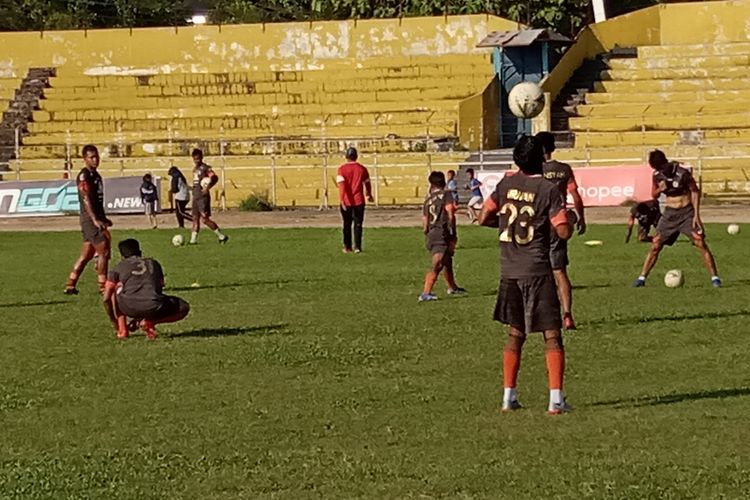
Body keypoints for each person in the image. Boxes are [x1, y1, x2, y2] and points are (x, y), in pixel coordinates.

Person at [478, 135, 573, 415]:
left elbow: (483, 216)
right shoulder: (547, 189)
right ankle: (556, 399)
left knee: (515, 333)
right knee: (552, 335)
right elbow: (563, 230)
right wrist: (569, 221)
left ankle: (509, 396)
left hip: (509, 271)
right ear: (542, 159)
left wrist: (504, 225)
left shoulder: (505, 184)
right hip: (537, 270)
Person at [633, 150, 721, 287]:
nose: (659, 170)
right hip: (669, 215)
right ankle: (641, 278)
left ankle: (715, 278)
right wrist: (660, 189)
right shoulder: (656, 175)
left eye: (659, 167)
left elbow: (695, 191)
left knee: (700, 242)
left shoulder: (682, 173)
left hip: (686, 213)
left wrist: (696, 216)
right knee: (656, 244)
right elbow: (653, 194)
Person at [537, 131, 586, 330]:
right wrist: (581, 217)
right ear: (553, 148)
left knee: (536, 271)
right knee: (560, 271)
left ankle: (540, 314)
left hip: (539, 224)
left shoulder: (535, 170)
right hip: (559, 223)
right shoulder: (564, 169)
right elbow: (575, 194)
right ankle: (567, 315)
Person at [103, 239, 190, 340]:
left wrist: (113, 320)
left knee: (115, 288)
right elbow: (160, 285)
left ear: (122, 256)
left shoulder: (117, 268)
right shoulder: (153, 263)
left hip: (127, 306)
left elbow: (106, 298)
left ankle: (122, 330)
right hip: (153, 305)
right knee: (184, 307)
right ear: (140, 252)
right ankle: (150, 322)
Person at [64, 145, 112, 295]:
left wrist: (103, 218)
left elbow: (98, 200)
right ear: (85, 159)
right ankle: (103, 287)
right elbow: (86, 199)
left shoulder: (96, 176)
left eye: (96, 156)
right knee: (103, 250)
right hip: (89, 219)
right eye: (91, 157)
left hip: (94, 218)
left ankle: (70, 284)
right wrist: (95, 219)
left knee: (86, 255)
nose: (95, 159)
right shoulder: (84, 176)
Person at [419, 171, 466, 302]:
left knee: (447, 261)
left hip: (432, 233)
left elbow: (424, 221)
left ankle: (452, 287)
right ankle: (426, 292)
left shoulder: (428, 199)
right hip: (442, 232)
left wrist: (427, 233)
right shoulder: (446, 194)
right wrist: (452, 232)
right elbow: (450, 211)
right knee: (438, 263)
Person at [336, 147, 373, 253]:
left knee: (346, 224)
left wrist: (342, 199)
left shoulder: (341, 169)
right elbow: (367, 183)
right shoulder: (362, 168)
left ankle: (347, 247)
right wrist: (369, 194)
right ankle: (357, 246)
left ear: (346, 157)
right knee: (358, 224)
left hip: (347, 201)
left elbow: (342, 185)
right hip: (359, 201)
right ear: (356, 156)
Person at [190, 149, 228, 245]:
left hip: (203, 197)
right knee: (195, 218)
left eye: (198, 159)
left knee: (204, 219)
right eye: (195, 159)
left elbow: (214, 177)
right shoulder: (195, 169)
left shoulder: (206, 168)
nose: (196, 161)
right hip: (195, 196)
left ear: (201, 158)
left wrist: (208, 188)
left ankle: (221, 236)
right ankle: (193, 240)